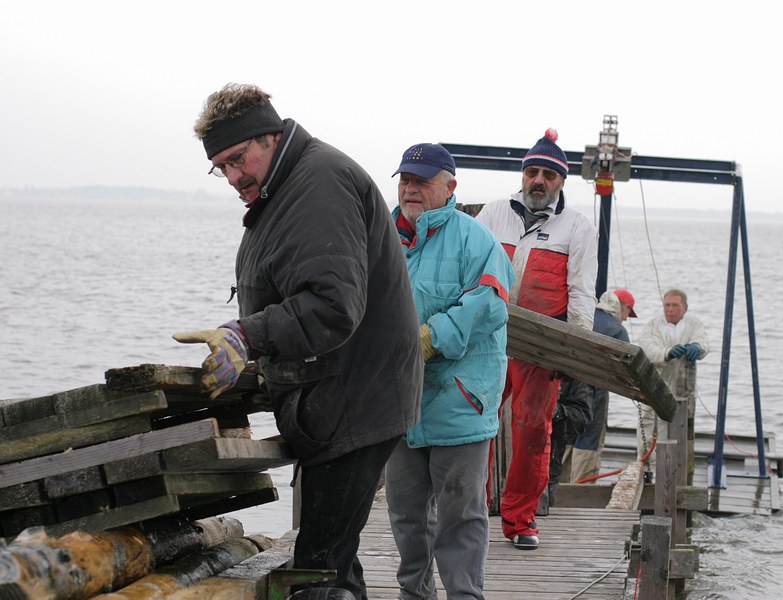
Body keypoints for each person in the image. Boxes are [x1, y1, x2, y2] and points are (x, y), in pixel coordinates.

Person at [172, 83, 422, 600]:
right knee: (335, 565)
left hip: (355, 404)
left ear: (270, 136)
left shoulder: (318, 184)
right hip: (344, 402)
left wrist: (247, 334)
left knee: (315, 572)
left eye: (238, 159)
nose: (233, 176)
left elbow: (333, 307)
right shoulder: (288, 186)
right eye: (221, 167)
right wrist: (251, 355)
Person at [384, 143, 514, 600]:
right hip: (399, 404)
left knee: (462, 515)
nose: (411, 188)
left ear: (450, 186)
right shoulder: (380, 237)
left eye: (422, 180)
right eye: (405, 179)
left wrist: (431, 337)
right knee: (405, 513)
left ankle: (464, 596)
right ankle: (414, 595)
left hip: (459, 401)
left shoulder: (479, 241)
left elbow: (490, 304)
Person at [475, 128, 598, 550]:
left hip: (541, 346)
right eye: (532, 172)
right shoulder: (493, 213)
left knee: (533, 431)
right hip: (489, 336)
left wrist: (575, 347)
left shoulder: (578, 227)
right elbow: (467, 268)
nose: (538, 180)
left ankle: (520, 520)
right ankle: (468, 509)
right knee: (474, 420)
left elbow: (582, 290)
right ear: (522, 174)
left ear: (562, 182)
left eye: (548, 174)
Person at [548, 289, 637, 503]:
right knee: (588, 442)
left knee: (565, 437)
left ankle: (559, 489)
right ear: (622, 306)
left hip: (564, 388)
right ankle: (580, 492)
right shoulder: (617, 331)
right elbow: (624, 374)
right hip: (594, 396)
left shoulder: (581, 316)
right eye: (628, 312)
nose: (626, 318)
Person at [637, 288, 709, 474]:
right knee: (648, 426)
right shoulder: (653, 325)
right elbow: (648, 349)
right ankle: (646, 469)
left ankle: (679, 472)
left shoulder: (693, 324)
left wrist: (697, 347)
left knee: (683, 427)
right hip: (655, 386)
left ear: (685, 307)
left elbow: (704, 342)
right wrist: (667, 353)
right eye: (667, 305)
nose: (670, 309)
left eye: (675, 305)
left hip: (684, 389)